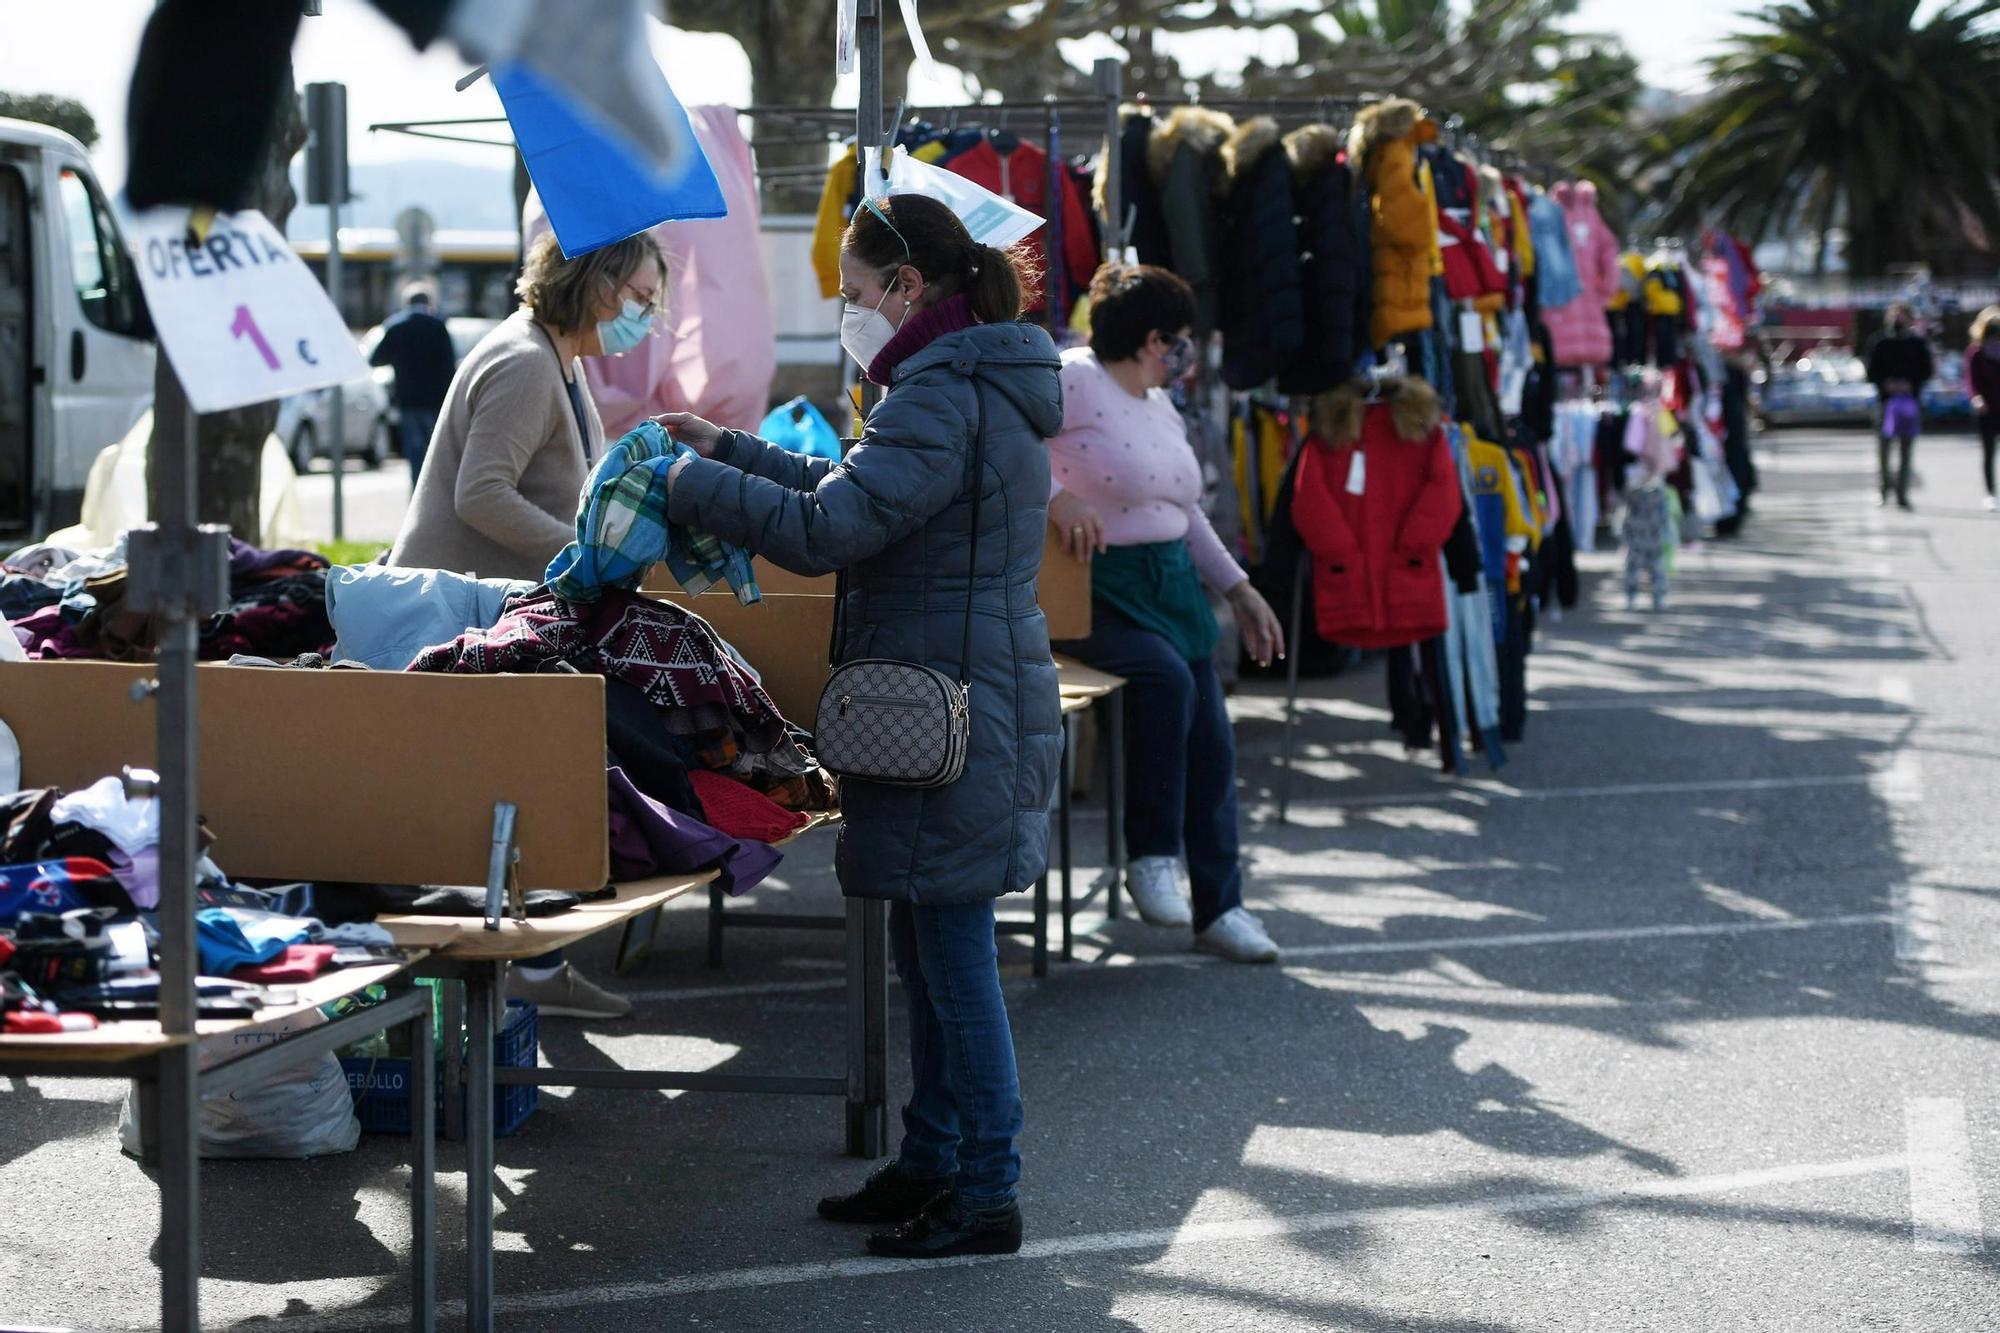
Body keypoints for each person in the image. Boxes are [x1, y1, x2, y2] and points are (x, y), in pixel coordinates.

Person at [657, 193, 1060, 1260]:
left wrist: (686, 482)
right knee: (934, 948)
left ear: (906, 288)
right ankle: (935, 1161)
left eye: (852, 293)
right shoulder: (967, 378)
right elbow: (858, 490)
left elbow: (833, 526)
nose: (848, 312)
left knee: (954, 956)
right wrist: (729, 452)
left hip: (947, 701)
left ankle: (986, 1188)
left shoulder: (939, 395)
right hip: (960, 691)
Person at [388, 229, 666, 1021]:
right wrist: (585, 553)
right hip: (451, 619)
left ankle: (531, 970)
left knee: (512, 800)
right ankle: (519, 974)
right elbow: (481, 493)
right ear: (594, 282)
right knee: (499, 802)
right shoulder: (523, 362)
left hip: (489, 619)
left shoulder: (556, 361)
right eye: (640, 296)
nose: (645, 314)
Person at [1043, 264, 1286, 963]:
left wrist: (1239, 588)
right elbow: (1006, 444)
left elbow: (1182, 512)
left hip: (1172, 587)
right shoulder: (1073, 375)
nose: (1183, 356)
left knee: (1213, 743)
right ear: (1153, 339)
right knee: (1165, 683)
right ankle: (1150, 857)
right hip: (1095, 587)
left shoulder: (1159, 403)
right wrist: (1058, 500)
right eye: (1178, 341)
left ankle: (1223, 906)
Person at [369, 281, 457, 483]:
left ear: (406, 302)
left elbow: (376, 359)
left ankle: (418, 494)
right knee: (438, 451)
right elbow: (449, 364)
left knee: (415, 450)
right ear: (429, 302)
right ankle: (437, 494)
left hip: (408, 399)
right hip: (436, 400)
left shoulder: (396, 326)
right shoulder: (438, 326)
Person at [1864, 302, 1934, 511]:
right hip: (1886, 403)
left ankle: (1902, 493)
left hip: (1909, 402)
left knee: (1906, 449)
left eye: (1902, 315)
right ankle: (1884, 489)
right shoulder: (1879, 342)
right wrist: (1886, 384)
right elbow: (1871, 370)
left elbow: (1926, 371)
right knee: (1884, 449)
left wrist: (1909, 384)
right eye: (1894, 315)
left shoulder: (1917, 344)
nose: (1898, 319)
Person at [1963, 306, 2000, 512]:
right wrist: (1975, 398)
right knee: (1989, 452)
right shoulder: (1976, 352)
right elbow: (1970, 379)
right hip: (1986, 409)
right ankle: (1991, 493)